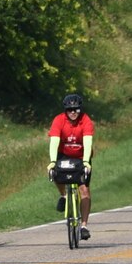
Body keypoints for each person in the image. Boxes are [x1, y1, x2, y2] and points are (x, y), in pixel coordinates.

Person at [47, 93, 94, 243]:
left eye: (76, 110)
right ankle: (64, 195)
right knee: (56, 173)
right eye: (70, 110)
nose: (73, 112)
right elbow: (54, 142)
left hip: (81, 157)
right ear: (65, 111)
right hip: (64, 154)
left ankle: (84, 226)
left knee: (84, 191)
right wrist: (53, 161)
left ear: (80, 110)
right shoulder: (59, 120)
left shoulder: (86, 121)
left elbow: (88, 142)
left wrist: (86, 162)